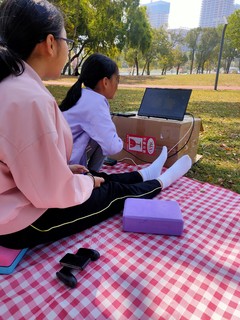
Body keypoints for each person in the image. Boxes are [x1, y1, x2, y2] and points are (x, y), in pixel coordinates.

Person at [0, 0, 192, 250]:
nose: (67, 50)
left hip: (19, 197)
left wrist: (70, 172)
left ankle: (145, 174)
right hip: (21, 220)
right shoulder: (28, 98)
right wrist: (86, 183)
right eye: (67, 42)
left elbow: (21, 162)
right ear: (49, 43)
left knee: (95, 177)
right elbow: (49, 192)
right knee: (109, 193)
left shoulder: (13, 86)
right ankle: (160, 182)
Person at [60, 53, 123, 171]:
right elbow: (112, 147)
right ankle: (93, 177)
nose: (117, 85)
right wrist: (120, 141)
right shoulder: (95, 102)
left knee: (100, 134)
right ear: (105, 82)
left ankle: (93, 176)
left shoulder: (81, 95)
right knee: (104, 136)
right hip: (67, 168)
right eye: (117, 79)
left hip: (60, 162)